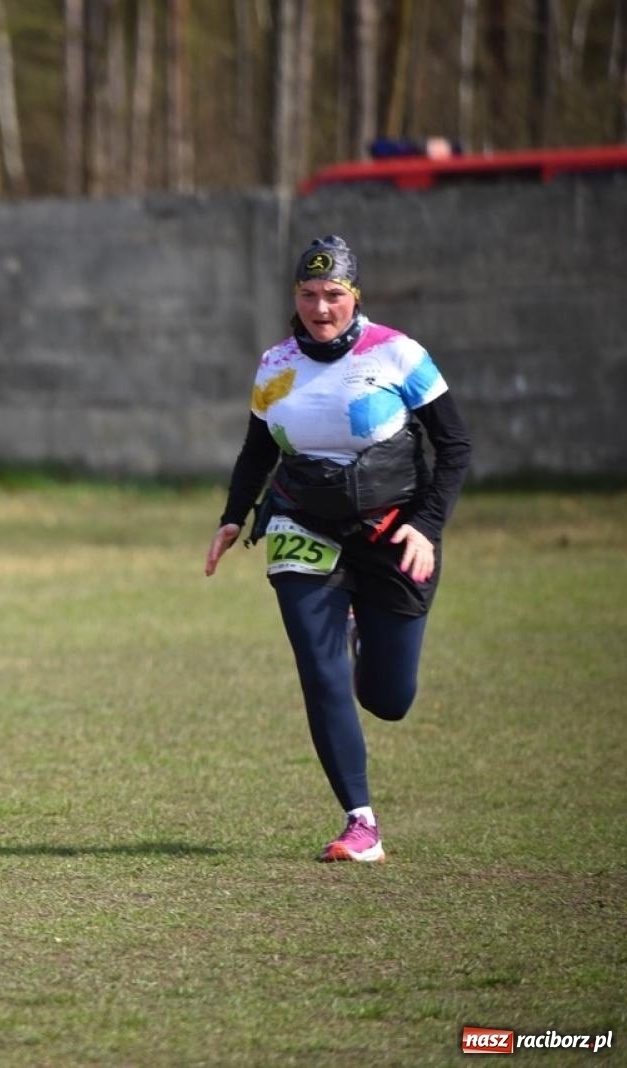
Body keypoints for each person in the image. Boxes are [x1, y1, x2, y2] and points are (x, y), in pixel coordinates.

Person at [204, 235, 472, 863]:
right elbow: (258, 450)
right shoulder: (275, 363)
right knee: (318, 670)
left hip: (391, 532)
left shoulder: (398, 355)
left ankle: (363, 634)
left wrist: (427, 526)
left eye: (333, 295)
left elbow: (454, 445)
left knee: (388, 698)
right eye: (307, 295)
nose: (320, 308)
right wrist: (233, 516)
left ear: (355, 296)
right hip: (302, 523)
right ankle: (361, 823)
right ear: (293, 297)